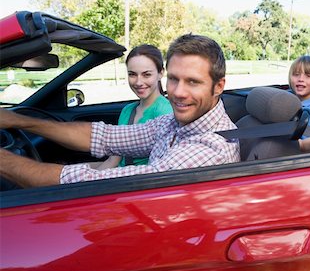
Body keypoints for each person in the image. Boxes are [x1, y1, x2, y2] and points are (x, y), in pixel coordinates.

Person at [0, 34, 240, 187]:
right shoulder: (176, 123)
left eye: (193, 82)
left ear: (218, 86)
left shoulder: (210, 149)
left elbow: (103, 182)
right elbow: (105, 137)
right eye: (174, 79)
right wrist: (19, 121)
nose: (178, 92)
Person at [91, 44, 172, 170]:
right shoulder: (127, 110)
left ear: (161, 73)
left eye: (146, 75)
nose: (138, 82)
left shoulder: (165, 111)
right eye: (132, 74)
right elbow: (114, 159)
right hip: (120, 173)